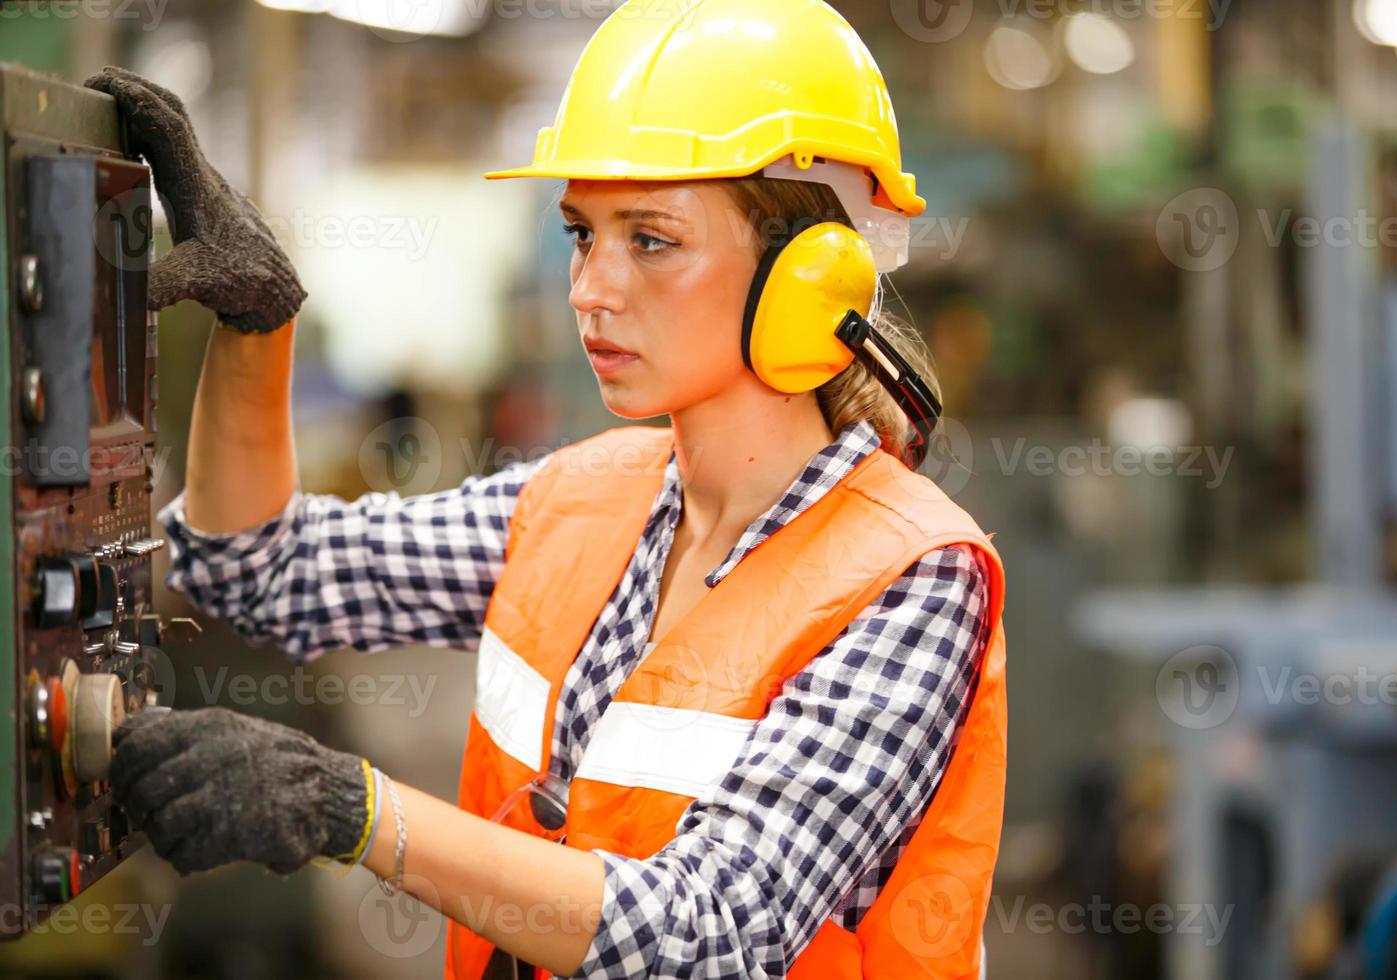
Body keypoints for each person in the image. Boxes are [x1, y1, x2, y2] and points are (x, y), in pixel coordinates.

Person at [92, 1, 1009, 977]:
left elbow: (708, 936)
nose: (590, 287)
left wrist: (358, 812)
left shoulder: (910, 579)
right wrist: (256, 324)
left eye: (650, 239)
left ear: (812, 281)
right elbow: (259, 570)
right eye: (581, 233)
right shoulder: (580, 501)